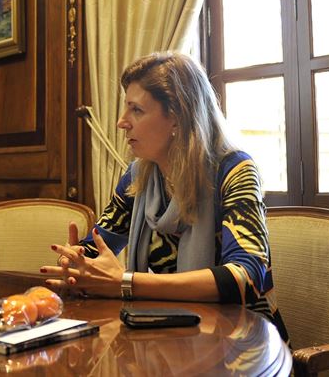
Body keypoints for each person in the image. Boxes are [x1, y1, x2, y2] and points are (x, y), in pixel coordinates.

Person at [41, 51, 288, 341]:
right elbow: (97, 248)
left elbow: (245, 278)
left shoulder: (235, 171)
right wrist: (76, 263)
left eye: (136, 110)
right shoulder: (139, 177)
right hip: (167, 336)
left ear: (177, 117)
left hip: (242, 344)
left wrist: (126, 282)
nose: (122, 122)